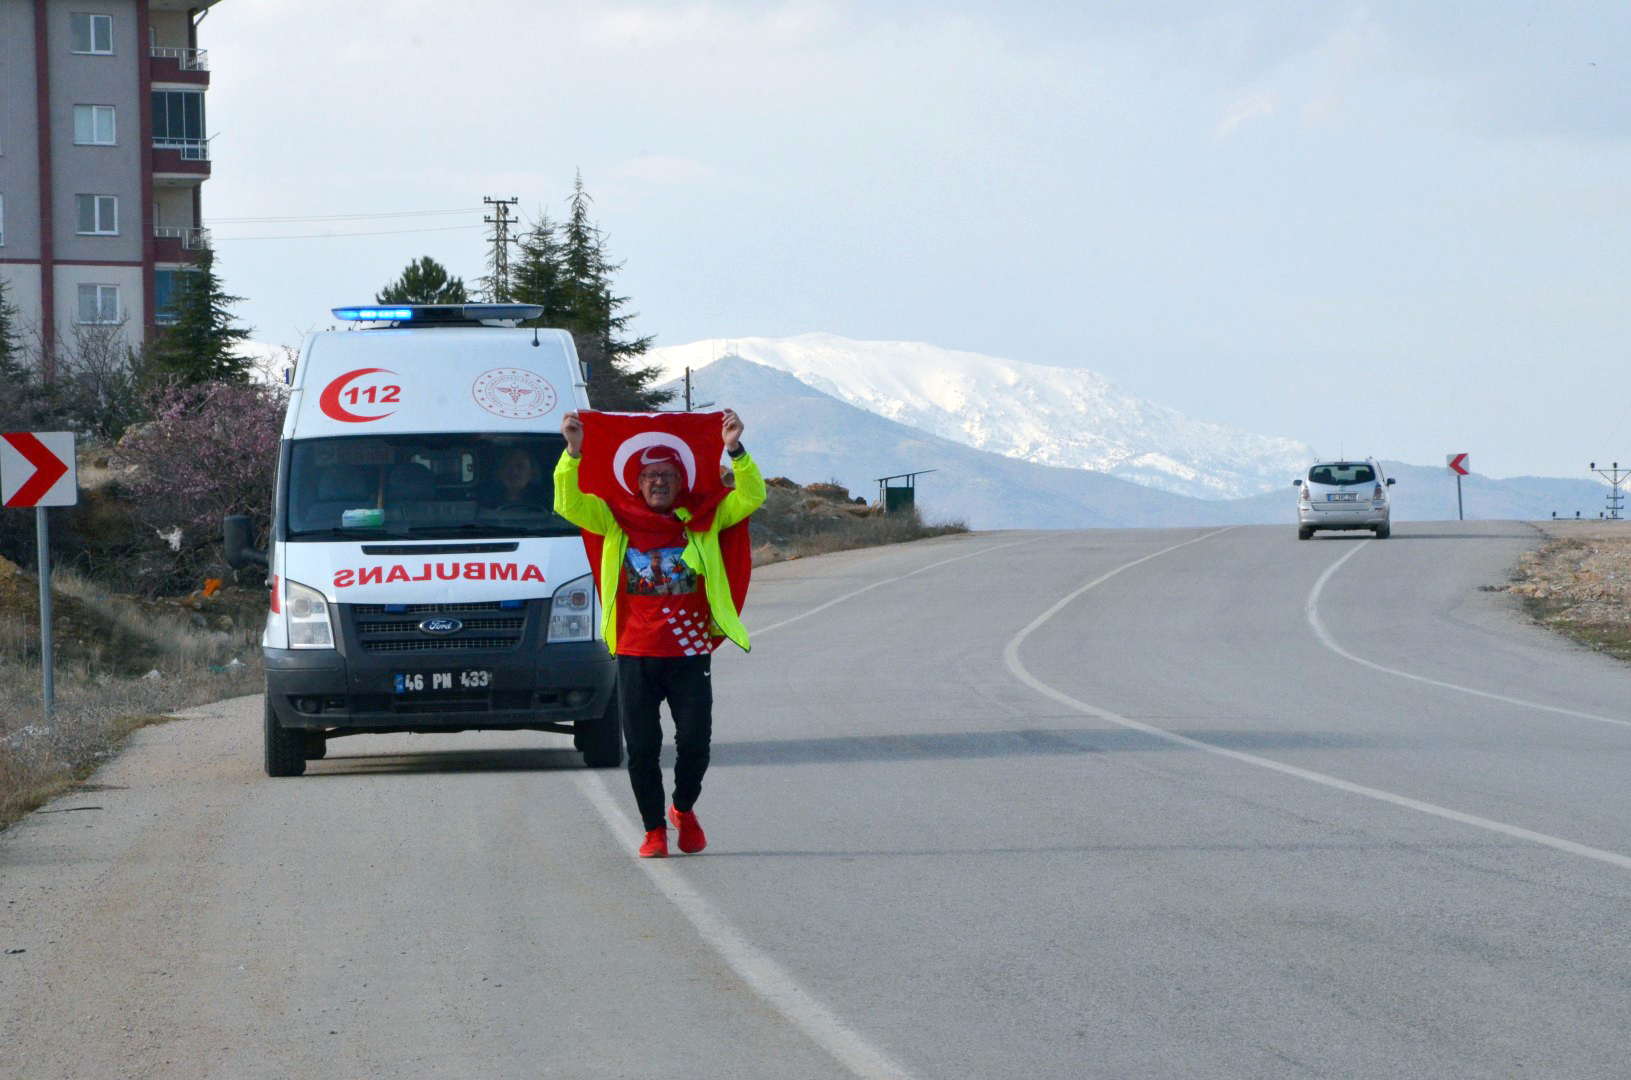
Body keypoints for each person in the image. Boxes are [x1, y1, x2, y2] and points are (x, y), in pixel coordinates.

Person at [554, 409, 764, 857]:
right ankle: (653, 830)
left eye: (667, 474)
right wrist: (572, 452)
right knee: (643, 747)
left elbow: (750, 496)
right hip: (634, 651)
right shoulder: (615, 519)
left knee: (694, 743)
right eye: (649, 476)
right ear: (637, 481)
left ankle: (683, 809)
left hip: (689, 652)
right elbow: (568, 503)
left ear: (679, 478)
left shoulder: (703, 518)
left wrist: (735, 449)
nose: (658, 483)